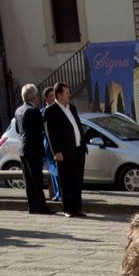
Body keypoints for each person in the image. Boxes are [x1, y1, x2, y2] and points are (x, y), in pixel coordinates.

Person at [43, 82, 87, 218]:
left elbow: (77, 126)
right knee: (66, 182)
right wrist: (56, 151)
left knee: (77, 181)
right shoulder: (51, 111)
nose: (69, 95)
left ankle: (77, 208)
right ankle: (68, 209)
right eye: (67, 93)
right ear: (59, 95)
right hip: (64, 153)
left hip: (78, 150)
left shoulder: (72, 108)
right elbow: (51, 133)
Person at [14, 84, 52, 214]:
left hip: (23, 148)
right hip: (34, 148)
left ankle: (32, 206)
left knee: (28, 179)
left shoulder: (18, 110)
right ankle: (41, 206)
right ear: (34, 96)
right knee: (37, 178)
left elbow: (18, 130)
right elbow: (41, 129)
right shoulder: (34, 110)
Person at [41, 87, 60, 202]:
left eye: (54, 95)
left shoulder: (58, 110)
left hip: (56, 145)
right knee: (53, 171)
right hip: (48, 145)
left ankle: (60, 193)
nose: (53, 98)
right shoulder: (43, 112)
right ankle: (57, 193)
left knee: (58, 171)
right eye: (51, 96)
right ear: (46, 99)